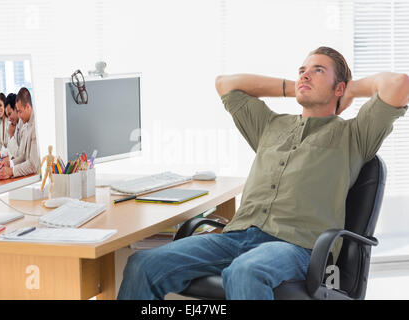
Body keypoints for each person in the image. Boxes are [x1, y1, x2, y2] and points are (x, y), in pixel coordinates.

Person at [117, 47, 409, 300]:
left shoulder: (354, 135)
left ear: (339, 88)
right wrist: (294, 86)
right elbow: (226, 84)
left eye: (317, 71)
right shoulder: (270, 125)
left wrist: (352, 89)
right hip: (235, 237)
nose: (305, 75)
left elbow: (398, 83)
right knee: (143, 264)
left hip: (296, 247)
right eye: (301, 70)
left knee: (246, 271)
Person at [0, 87, 40, 179]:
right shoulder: (28, 123)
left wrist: (11, 171)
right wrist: (10, 163)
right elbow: (25, 156)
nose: (19, 116)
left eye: (20, 111)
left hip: (36, 177)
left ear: (28, 107)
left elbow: (32, 164)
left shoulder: (36, 127)